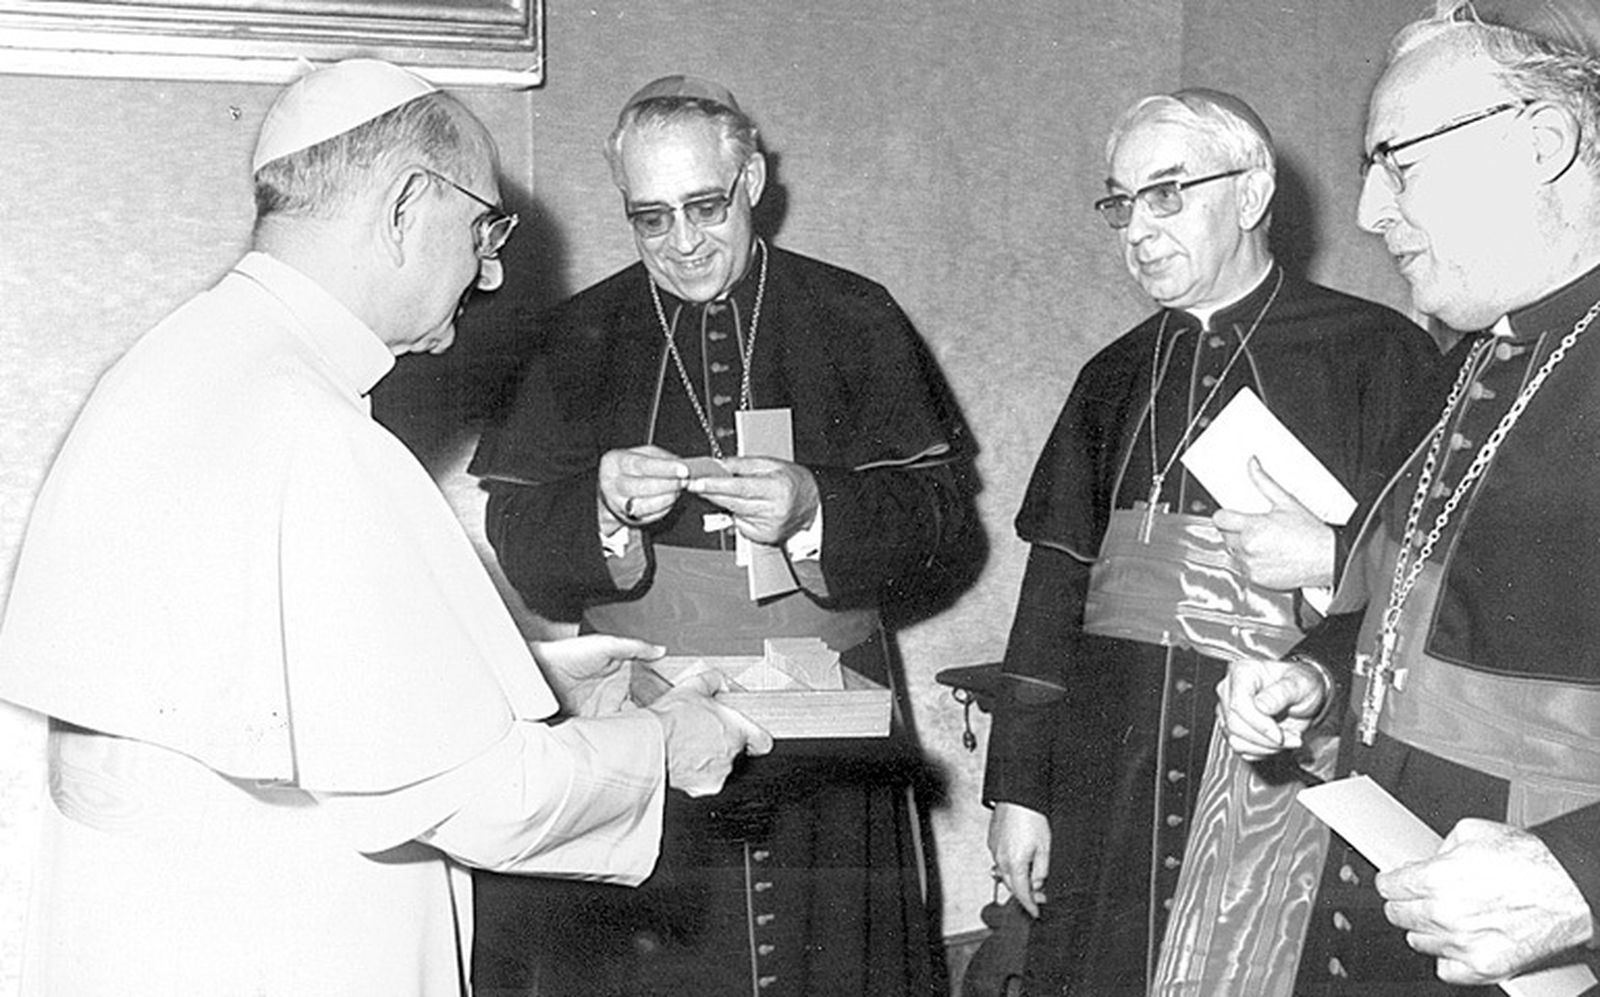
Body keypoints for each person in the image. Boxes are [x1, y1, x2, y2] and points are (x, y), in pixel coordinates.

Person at [0, 58, 771, 997]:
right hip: (273, 944)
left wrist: (528, 683)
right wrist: (665, 745)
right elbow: (481, 796)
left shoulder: (182, 364)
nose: (490, 270)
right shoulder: (310, 427)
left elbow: (302, 689)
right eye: (484, 229)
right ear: (408, 206)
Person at [467, 74, 977, 996]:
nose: (684, 241)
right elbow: (518, 530)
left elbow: (945, 526)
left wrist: (818, 508)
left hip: (828, 745)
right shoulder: (577, 334)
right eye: (650, 218)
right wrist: (602, 509)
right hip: (647, 727)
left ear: (751, 183)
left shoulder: (854, 314)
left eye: (704, 206)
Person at [982, 88, 1449, 996]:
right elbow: (1051, 596)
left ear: (1251, 193)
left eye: (1167, 194)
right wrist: (1019, 787)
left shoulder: (1378, 353)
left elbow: (1440, 571)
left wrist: (1333, 550)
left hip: (1282, 751)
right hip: (1112, 766)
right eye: (1120, 202)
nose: (1136, 230)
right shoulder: (1110, 376)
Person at [1219, 3, 1600, 992]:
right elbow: (1405, 611)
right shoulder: (1467, 361)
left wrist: (1586, 882)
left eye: (1400, 162)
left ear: (1544, 143)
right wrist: (1316, 675)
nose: (1367, 213)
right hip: (1395, 914)